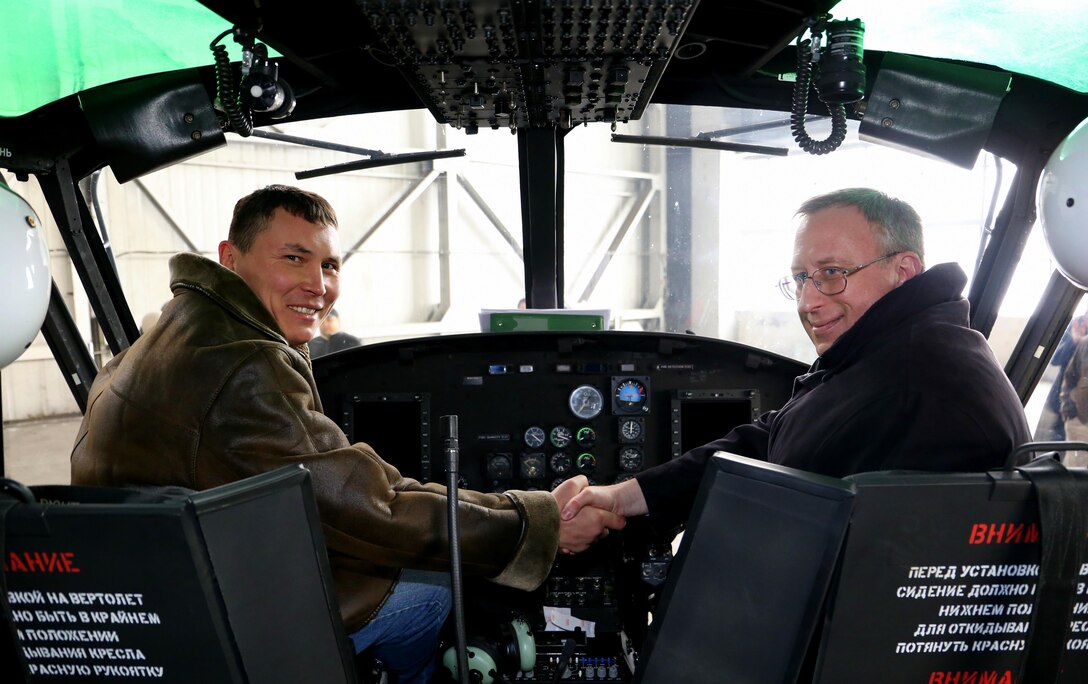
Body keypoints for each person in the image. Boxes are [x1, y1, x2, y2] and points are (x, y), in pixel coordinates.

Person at [70, 185, 622, 683]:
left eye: (331, 265)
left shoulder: (174, 327)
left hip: (166, 596)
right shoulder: (247, 366)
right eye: (294, 258)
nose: (319, 285)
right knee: (431, 586)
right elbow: (373, 507)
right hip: (223, 616)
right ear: (229, 258)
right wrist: (536, 522)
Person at [560, 187, 1031, 538]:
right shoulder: (880, 357)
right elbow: (767, 440)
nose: (808, 301)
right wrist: (625, 495)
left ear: (903, 271)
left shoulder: (921, 388)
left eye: (831, 274)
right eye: (801, 278)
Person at [1035, 313, 1087, 441]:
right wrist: (1074, 339)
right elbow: (1056, 358)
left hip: (1082, 407)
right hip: (1064, 400)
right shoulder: (1074, 325)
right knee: (1053, 443)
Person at [1059, 322, 1088, 466]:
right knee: (1074, 472)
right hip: (1081, 422)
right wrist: (1069, 410)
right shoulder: (1085, 343)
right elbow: (1070, 377)